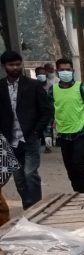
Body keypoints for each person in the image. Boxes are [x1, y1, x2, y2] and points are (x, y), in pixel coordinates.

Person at [0, 50, 53, 209]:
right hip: (10, 141)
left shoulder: (34, 85)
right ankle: (28, 206)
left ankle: (36, 208)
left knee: (30, 173)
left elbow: (47, 111)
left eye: (18, 64)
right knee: (19, 178)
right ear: (4, 66)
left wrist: (37, 132)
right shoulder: (0, 87)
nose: (15, 67)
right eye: (11, 65)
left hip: (30, 137)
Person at [47, 57, 84, 193]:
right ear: (57, 72)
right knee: (69, 167)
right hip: (63, 134)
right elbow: (50, 113)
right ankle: (77, 192)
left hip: (80, 132)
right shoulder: (53, 90)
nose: (65, 72)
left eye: (68, 70)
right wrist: (48, 134)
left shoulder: (81, 87)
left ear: (73, 71)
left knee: (78, 164)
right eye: (62, 70)